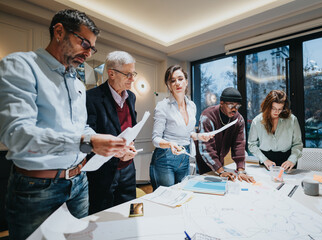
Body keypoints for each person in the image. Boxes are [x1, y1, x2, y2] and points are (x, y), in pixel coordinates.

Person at [0, 9, 129, 239]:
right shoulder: (21, 65)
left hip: (79, 184)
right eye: (84, 43)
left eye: (92, 48)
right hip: (36, 188)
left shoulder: (77, 83)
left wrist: (108, 144)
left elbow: (81, 129)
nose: (89, 53)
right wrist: (87, 141)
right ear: (59, 32)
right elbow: (17, 134)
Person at [86, 51, 139, 214]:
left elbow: (131, 128)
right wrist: (116, 151)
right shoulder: (91, 98)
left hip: (128, 168)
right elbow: (88, 139)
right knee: (103, 216)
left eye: (133, 73)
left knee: (130, 213)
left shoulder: (131, 97)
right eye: (128, 74)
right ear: (111, 74)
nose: (132, 78)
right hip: (104, 173)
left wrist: (131, 147)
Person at [150, 65, 213, 190]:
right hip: (165, 158)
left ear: (186, 82)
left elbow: (189, 133)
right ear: (168, 85)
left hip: (184, 157)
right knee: (166, 198)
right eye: (172, 80)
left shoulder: (192, 106)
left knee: (182, 194)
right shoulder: (162, 106)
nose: (177, 83)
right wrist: (169, 144)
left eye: (180, 79)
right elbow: (155, 138)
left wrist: (200, 136)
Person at [196, 87, 255, 183]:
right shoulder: (207, 117)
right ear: (221, 103)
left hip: (220, 162)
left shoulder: (238, 119)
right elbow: (206, 149)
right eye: (231, 105)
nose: (235, 110)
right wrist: (220, 171)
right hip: (205, 162)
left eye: (237, 106)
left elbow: (239, 145)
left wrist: (241, 170)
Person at [248, 90, 303, 171]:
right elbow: (252, 144)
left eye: (280, 109)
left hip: (287, 161)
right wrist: (264, 160)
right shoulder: (257, 121)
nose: (277, 112)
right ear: (267, 106)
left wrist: (292, 159)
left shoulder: (292, 120)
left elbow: (298, 144)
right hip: (266, 161)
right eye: (273, 108)